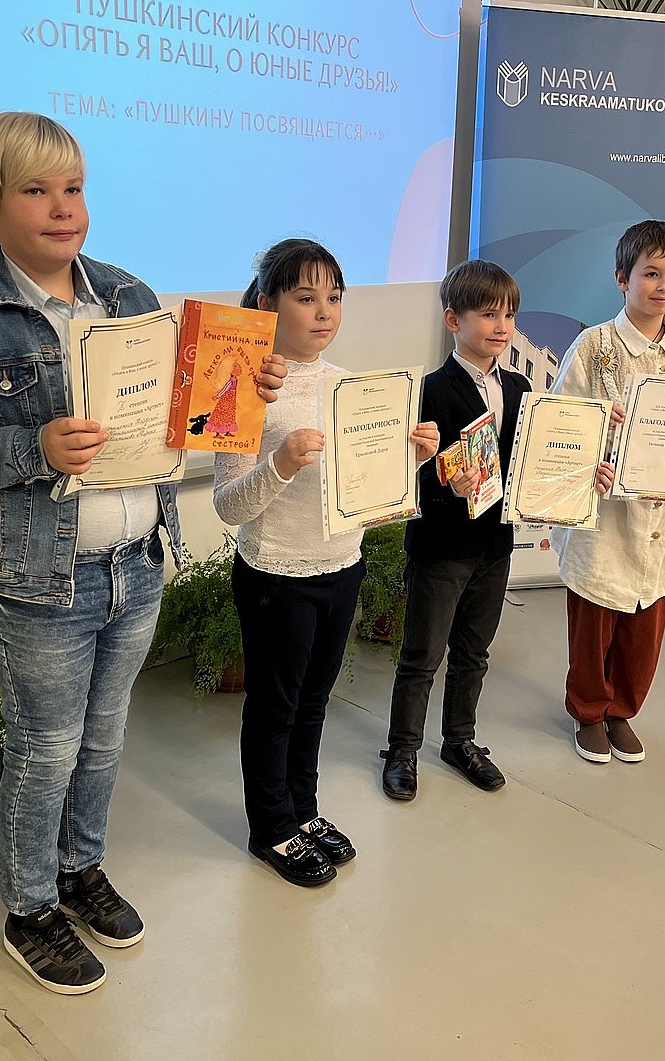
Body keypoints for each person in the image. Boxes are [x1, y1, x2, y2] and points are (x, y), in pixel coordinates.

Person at [0, 112, 287, 995]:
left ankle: (79, 870)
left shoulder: (128, 294)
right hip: (41, 578)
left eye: (72, 188)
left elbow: (186, 420)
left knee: (105, 739)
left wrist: (244, 390)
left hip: (137, 562)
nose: (63, 208)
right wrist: (30, 447)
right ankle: (29, 908)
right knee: (45, 748)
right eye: (36, 191)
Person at [213, 238, 438, 886]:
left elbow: (366, 490)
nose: (324, 312)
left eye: (334, 298)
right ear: (267, 304)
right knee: (275, 706)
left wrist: (414, 457)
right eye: (306, 297)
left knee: (314, 701)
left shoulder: (348, 386)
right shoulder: (242, 387)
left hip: (342, 565)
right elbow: (228, 505)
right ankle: (271, 828)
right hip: (276, 574)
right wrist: (281, 464)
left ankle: (303, 811)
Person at [550, 220, 665, 764]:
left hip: (661, 514)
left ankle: (622, 709)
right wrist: (596, 437)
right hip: (605, 514)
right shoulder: (594, 346)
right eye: (651, 274)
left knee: (644, 625)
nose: (663, 286)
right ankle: (589, 711)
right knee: (594, 621)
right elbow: (561, 422)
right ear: (622, 278)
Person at [379, 260, 534, 801]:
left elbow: (528, 460)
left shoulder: (520, 388)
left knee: (474, 651)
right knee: (422, 655)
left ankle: (459, 741)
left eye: (508, 315)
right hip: (441, 547)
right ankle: (402, 749)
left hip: (495, 545)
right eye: (488, 314)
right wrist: (446, 480)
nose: (501, 326)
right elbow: (410, 477)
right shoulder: (429, 391)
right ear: (453, 319)